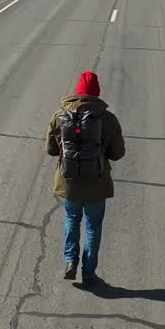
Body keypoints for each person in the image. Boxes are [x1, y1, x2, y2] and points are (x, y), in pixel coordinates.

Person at [45, 71, 125, 288]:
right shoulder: (107, 118)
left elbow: (51, 150)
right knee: (93, 226)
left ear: (77, 91)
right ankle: (88, 273)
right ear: (96, 92)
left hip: (69, 182)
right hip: (96, 184)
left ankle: (70, 259)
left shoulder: (59, 115)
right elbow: (118, 154)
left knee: (72, 219)